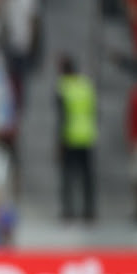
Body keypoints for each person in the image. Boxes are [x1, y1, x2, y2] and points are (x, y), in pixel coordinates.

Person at [55, 54, 97, 222]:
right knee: (87, 177)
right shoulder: (86, 85)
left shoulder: (63, 86)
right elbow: (93, 111)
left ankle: (68, 210)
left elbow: (61, 117)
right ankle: (89, 211)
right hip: (87, 135)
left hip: (69, 136)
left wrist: (59, 141)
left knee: (68, 176)